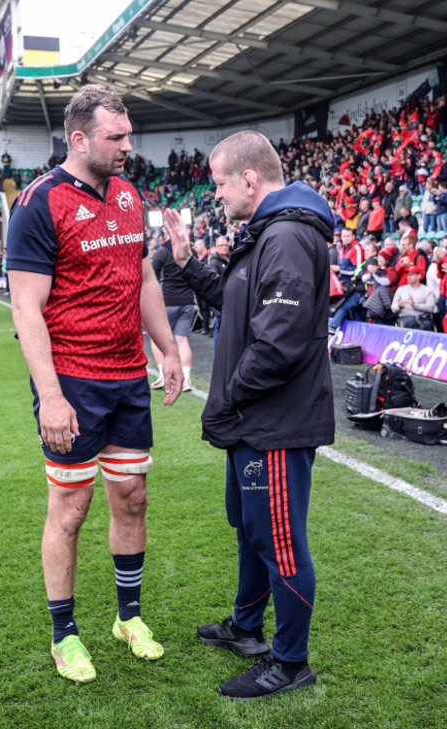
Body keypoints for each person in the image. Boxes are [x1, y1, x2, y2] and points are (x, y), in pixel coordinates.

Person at [6, 85, 183, 685]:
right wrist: (51, 396)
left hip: (128, 375)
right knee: (71, 507)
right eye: (117, 138)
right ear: (79, 139)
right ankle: (65, 635)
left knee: (132, 494)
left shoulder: (131, 196)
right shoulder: (38, 203)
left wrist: (166, 347)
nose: (128, 147)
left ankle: (128, 618)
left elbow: (143, 279)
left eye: (128, 135)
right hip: (73, 381)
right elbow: (26, 309)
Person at [164, 130, 335, 701]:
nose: (216, 195)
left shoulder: (286, 236)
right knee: (253, 532)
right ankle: (246, 627)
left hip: (275, 424)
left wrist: (227, 397)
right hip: (253, 423)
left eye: (219, 184)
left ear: (250, 180)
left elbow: (278, 344)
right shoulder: (264, 233)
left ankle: (290, 663)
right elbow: (234, 302)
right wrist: (188, 262)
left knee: (281, 542)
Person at [149, 237, 195, 392]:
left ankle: (164, 375)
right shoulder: (190, 251)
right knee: (182, 341)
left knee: (156, 338)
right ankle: (186, 379)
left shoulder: (162, 252)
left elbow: (151, 276)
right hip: (187, 300)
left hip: (168, 300)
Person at [391, 265, 436, 330]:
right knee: (410, 322)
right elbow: (393, 308)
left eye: (411, 275)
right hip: (405, 317)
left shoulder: (427, 290)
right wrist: (399, 307)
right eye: (408, 275)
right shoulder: (401, 289)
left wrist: (414, 305)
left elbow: (430, 308)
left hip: (422, 318)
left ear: (419, 276)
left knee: (427, 324)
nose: (409, 277)